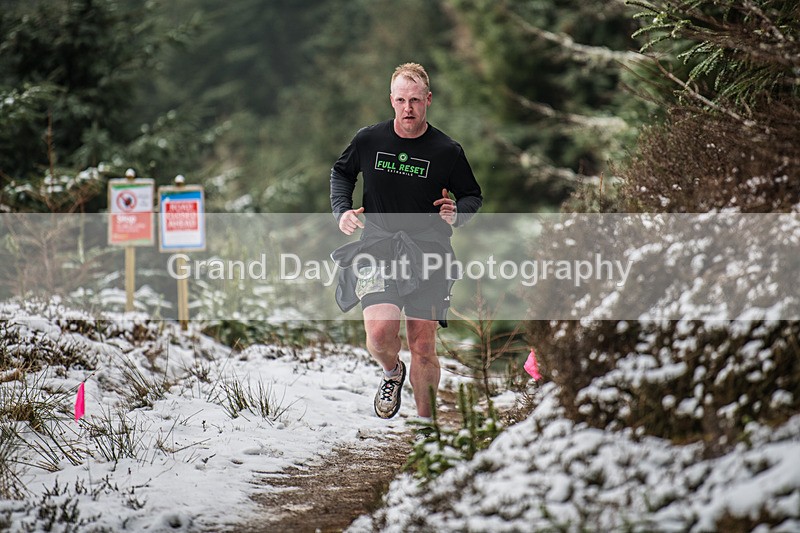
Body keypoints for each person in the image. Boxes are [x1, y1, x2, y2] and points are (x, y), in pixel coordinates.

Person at [330, 62, 482, 421]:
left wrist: (457, 212)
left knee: (423, 345)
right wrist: (342, 211)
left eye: (415, 99)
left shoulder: (447, 150)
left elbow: (473, 195)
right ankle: (391, 372)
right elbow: (342, 172)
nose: (408, 108)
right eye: (401, 100)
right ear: (391, 100)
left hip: (428, 251)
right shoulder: (369, 139)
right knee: (380, 335)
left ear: (428, 99)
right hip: (377, 246)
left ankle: (427, 430)